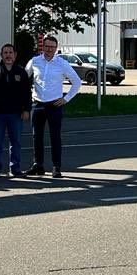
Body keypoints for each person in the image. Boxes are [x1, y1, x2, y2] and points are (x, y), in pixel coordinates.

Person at [25, 34, 82, 178]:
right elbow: (24, 79)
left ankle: (56, 167)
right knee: (36, 137)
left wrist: (66, 98)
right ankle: (38, 165)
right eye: (47, 46)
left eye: (52, 47)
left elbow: (77, 82)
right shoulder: (35, 61)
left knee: (55, 136)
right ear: (42, 47)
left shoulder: (62, 63)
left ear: (56, 48)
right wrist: (27, 96)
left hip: (54, 105)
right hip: (37, 104)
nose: (49, 49)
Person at [0, 43, 32, 178]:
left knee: (16, 142)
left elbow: (27, 93)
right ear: (1, 55)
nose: (8, 55)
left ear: (15, 55)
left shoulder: (21, 72)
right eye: (5, 53)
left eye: (10, 52)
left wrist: (27, 110)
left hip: (16, 114)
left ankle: (15, 168)